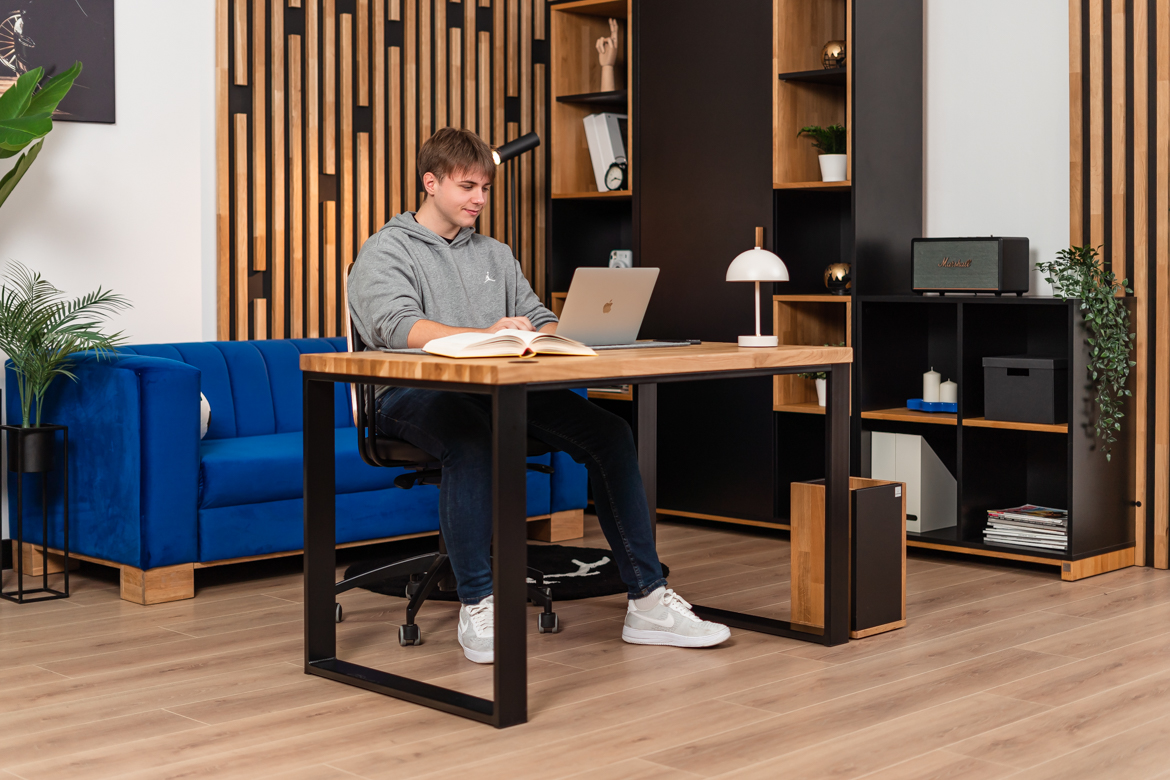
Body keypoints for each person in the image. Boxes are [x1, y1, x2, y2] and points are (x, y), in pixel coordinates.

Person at [347, 127, 729, 664]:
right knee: (471, 438)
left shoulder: (496, 254)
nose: (479, 199)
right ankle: (478, 602)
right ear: (429, 183)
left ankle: (648, 601)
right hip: (411, 393)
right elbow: (394, 326)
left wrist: (552, 333)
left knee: (609, 433)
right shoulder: (387, 249)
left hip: (499, 387)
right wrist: (484, 336)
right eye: (466, 187)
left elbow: (536, 314)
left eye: (485, 187)